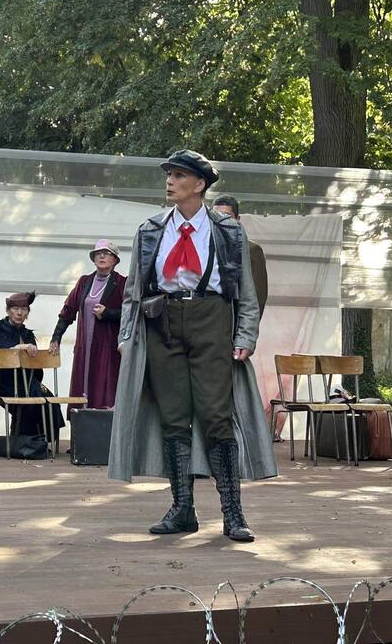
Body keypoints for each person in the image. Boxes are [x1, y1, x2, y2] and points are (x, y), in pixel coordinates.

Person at [108, 150, 276, 543]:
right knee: (172, 417)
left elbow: (246, 292)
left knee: (216, 415)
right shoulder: (150, 229)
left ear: (199, 184)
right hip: (161, 322)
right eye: (168, 175)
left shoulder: (228, 231)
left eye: (179, 175)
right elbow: (134, 290)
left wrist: (245, 335)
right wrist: (126, 335)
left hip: (211, 319)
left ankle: (233, 513)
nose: (170, 181)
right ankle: (182, 508)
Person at [49, 239, 125, 412]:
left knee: (104, 388)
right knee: (81, 386)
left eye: (106, 253)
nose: (102, 256)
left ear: (114, 260)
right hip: (85, 347)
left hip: (108, 349)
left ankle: (102, 425)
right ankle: (81, 423)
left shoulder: (122, 283)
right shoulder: (84, 282)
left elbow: (130, 314)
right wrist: (56, 337)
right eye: (98, 253)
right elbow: (68, 310)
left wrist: (108, 314)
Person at [0, 292, 65, 440]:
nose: (19, 313)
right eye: (15, 309)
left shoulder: (27, 335)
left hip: (24, 382)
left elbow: (36, 368)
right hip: (2, 382)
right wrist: (17, 348)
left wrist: (32, 357)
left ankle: (41, 441)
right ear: (8, 311)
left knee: (48, 400)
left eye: (24, 309)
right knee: (28, 400)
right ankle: (24, 441)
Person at [212, 194, 268, 318]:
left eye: (226, 216)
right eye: (216, 216)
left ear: (237, 219)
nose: (221, 221)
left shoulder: (251, 250)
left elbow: (258, 295)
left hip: (236, 319)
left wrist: (248, 326)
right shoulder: (206, 248)